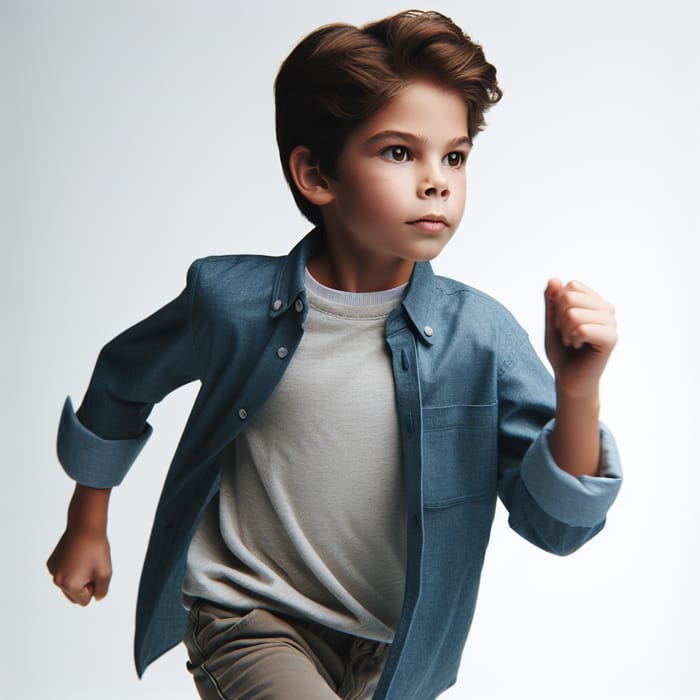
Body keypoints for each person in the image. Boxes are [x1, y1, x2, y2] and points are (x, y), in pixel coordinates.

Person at [47, 9, 622, 700]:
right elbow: (125, 378)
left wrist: (579, 391)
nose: (437, 180)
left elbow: (556, 522)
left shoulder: (482, 337)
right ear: (316, 174)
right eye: (399, 152)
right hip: (250, 618)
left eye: (455, 155)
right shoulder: (231, 300)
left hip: (398, 655)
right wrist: (88, 518)